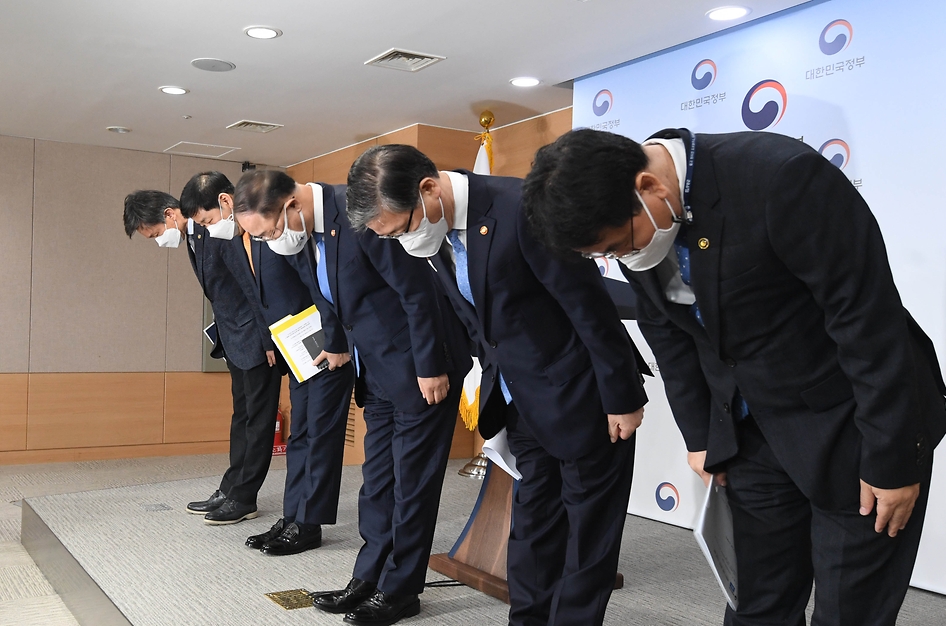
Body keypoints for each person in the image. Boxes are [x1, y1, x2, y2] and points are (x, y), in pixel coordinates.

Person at [521, 127, 946, 626]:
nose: (617, 260)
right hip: (751, 433)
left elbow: (867, 323)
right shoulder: (635, 226)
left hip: (854, 424)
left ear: (650, 188)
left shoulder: (780, 177)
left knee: (849, 610)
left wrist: (894, 461)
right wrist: (701, 435)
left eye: (616, 247)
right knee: (755, 602)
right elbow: (669, 332)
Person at [345, 144, 648, 626]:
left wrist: (623, 395)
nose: (403, 242)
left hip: (583, 392)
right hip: (519, 397)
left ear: (428, 189)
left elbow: (588, 306)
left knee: (588, 534)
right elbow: (481, 322)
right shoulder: (437, 230)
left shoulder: (520, 207)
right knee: (532, 524)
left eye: (401, 227)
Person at [233, 170, 472, 625]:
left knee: (412, 484)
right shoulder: (307, 231)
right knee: (378, 480)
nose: (270, 243)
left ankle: (401, 591)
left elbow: (417, 291)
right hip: (376, 368)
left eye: (269, 232)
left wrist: (430, 366)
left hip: (420, 368)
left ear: (290, 206)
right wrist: (337, 339)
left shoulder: (361, 208)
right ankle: (369, 577)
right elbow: (324, 291)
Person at [180, 171, 353, 556]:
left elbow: (321, 289)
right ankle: (293, 516)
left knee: (319, 436)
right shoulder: (252, 237)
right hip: (295, 346)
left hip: (322, 342)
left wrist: (337, 339)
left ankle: (308, 523)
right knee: (301, 436)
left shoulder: (288, 231)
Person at [122, 190, 281, 525]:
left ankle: (244, 497)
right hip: (234, 337)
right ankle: (231, 486)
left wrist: (269, 339)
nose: (157, 241)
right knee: (242, 416)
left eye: (153, 234)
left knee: (260, 419)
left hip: (254, 336)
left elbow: (252, 286)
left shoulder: (216, 231)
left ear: (168, 214)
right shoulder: (193, 236)